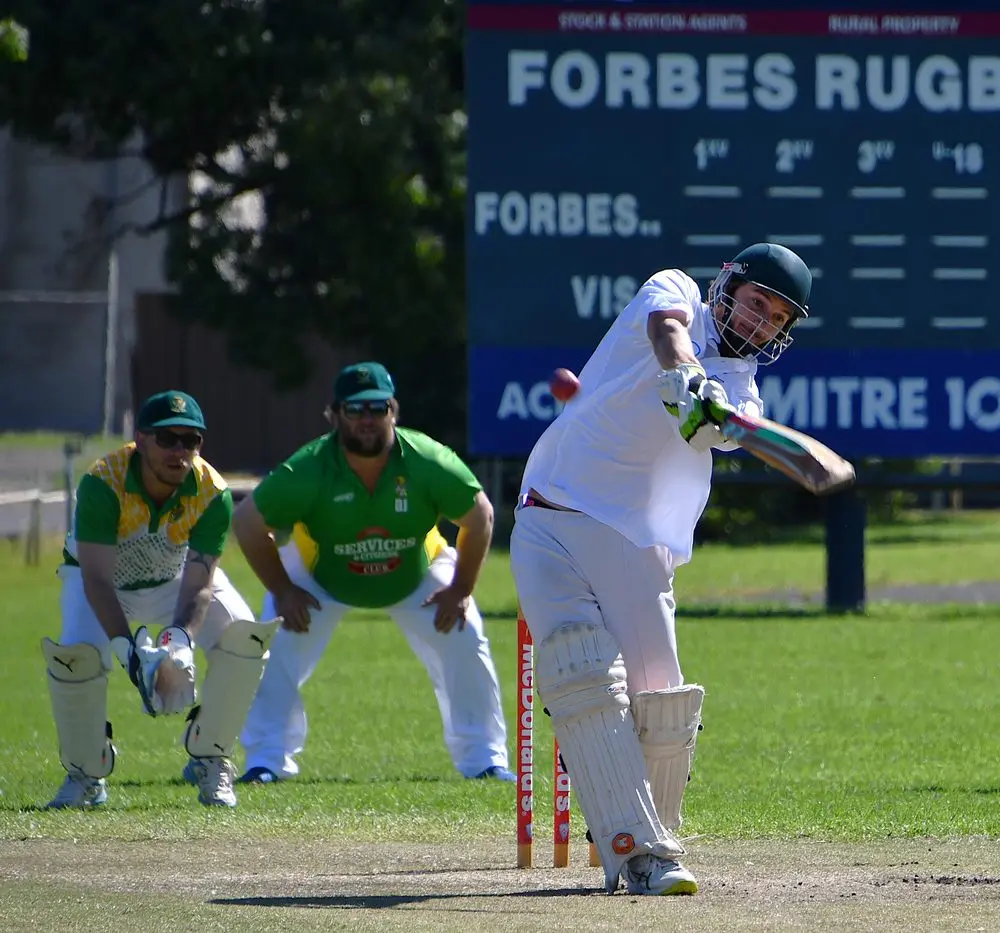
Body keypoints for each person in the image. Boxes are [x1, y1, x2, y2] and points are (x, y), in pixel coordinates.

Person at [510, 242, 812, 895]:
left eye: (776, 319)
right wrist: (686, 376)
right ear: (728, 286)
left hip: (635, 546)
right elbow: (666, 332)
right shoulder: (674, 288)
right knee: (582, 674)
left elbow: (716, 429)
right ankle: (638, 849)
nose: (760, 322)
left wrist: (710, 406)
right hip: (545, 515)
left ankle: (650, 842)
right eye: (756, 302)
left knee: (662, 706)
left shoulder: (742, 393)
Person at [230, 362, 513, 785]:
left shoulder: (426, 459)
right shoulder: (308, 468)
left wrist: (461, 589)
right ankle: (266, 760)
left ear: (393, 412)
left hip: (416, 570)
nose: (367, 419)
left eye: (377, 408)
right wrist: (283, 589)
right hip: (318, 576)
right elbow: (248, 523)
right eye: (355, 409)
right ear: (334, 415)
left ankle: (485, 760)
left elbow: (481, 516)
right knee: (275, 637)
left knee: (465, 632)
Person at [43, 390, 275, 809]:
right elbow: (96, 579)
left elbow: (200, 583)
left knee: (247, 638)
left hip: (173, 578)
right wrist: (127, 652)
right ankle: (86, 772)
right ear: (140, 439)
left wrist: (180, 641)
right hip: (103, 583)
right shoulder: (104, 483)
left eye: (191, 440)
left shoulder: (211, 491)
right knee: (75, 658)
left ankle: (211, 755)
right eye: (167, 439)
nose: (179, 451)